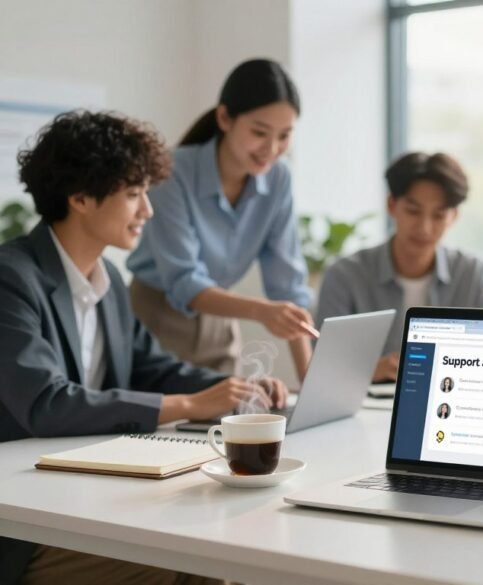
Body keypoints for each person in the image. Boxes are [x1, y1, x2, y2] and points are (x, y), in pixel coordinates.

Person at [0, 110, 287, 585]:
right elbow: (45, 403)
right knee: (186, 561)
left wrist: (231, 389)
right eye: (133, 195)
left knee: (216, 551)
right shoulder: (12, 278)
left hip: (84, 496)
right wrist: (190, 405)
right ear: (80, 198)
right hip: (25, 525)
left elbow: (151, 367)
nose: (147, 211)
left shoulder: (109, 279)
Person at [127, 59, 315, 380]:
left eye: (285, 135)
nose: (271, 149)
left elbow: (288, 288)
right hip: (156, 320)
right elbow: (185, 282)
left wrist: (310, 382)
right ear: (225, 118)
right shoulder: (171, 171)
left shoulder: (279, 178)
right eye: (259, 132)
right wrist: (261, 312)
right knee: (163, 426)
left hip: (221, 321)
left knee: (228, 424)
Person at [316, 152, 483, 382]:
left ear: (454, 216)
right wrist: (367, 371)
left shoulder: (473, 274)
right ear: (392, 205)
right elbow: (322, 370)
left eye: (439, 215)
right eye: (413, 211)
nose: (425, 228)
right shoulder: (345, 276)